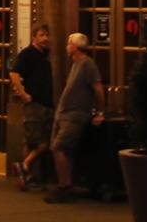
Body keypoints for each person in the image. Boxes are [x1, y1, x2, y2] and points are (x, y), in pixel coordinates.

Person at [45, 32, 104, 202]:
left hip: (76, 115)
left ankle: (66, 187)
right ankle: (65, 185)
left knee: (58, 148)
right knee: (63, 150)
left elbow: (98, 88)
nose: (66, 46)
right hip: (64, 113)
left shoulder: (87, 64)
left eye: (69, 43)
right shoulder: (75, 64)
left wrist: (100, 112)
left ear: (76, 47)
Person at [9, 23, 56, 189]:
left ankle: (26, 175)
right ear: (34, 37)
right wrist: (22, 93)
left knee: (33, 142)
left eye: (46, 35)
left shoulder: (44, 55)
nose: (45, 38)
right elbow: (14, 73)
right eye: (41, 35)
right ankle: (25, 166)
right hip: (34, 104)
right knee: (39, 142)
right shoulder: (27, 54)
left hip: (46, 103)